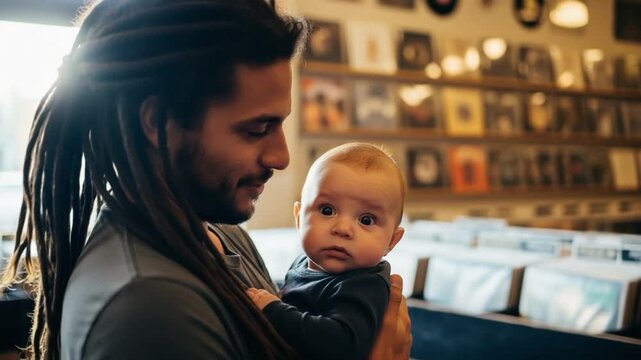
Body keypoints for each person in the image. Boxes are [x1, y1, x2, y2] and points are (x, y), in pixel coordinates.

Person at [0, 0, 411, 359]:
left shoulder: (219, 231)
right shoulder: (148, 306)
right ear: (156, 122)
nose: (281, 157)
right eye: (255, 129)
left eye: (280, 124)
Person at [246, 142, 406, 360]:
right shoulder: (302, 263)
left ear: (392, 241)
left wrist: (273, 310)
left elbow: (340, 344)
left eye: (366, 220)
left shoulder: (364, 284)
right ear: (299, 218)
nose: (342, 229)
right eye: (327, 210)